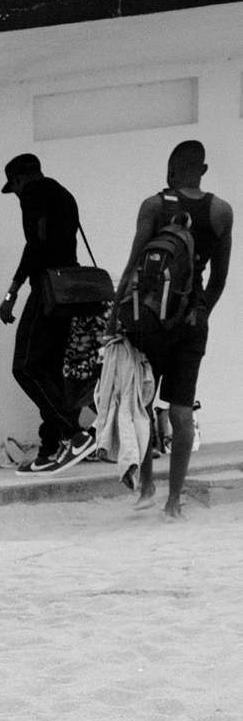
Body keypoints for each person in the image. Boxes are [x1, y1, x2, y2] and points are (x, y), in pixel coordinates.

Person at [112, 140, 233, 519]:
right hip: (192, 323)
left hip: (150, 321)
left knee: (142, 406)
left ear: (170, 170)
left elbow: (133, 265)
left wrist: (117, 313)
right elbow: (219, 279)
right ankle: (173, 501)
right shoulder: (221, 211)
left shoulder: (154, 206)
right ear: (204, 169)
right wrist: (199, 312)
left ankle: (147, 486)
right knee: (182, 413)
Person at [0, 152, 93, 474]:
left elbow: (36, 245)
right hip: (71, 288)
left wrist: (13, 293)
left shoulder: (34, 193)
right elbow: (42, 242)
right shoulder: (63, 193)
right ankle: (50, 450)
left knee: (25, 366)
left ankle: (74, 434)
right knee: (49, 369)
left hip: (49, 288)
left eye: (14, 188)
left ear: (18, 180)